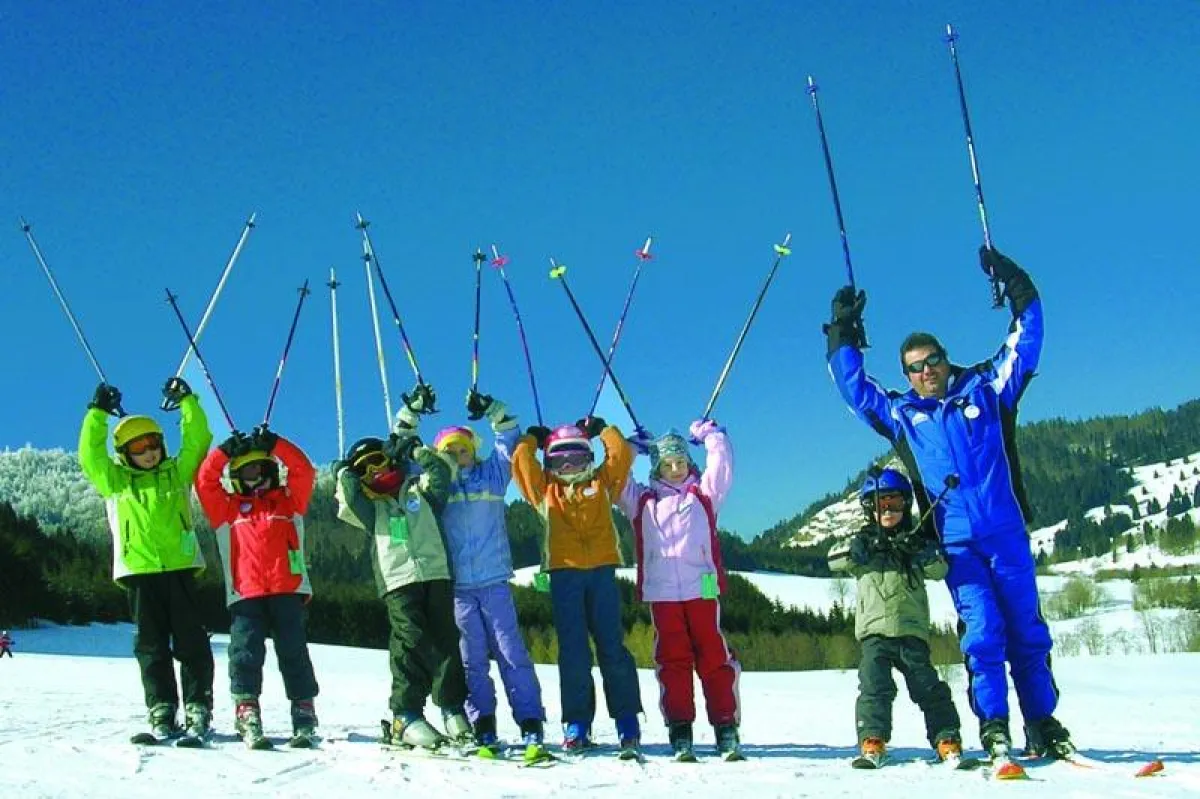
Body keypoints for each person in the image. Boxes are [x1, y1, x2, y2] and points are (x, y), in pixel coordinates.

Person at [824, 246, 1073, 760]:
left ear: (944, 358)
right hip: (957, 543)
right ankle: (996, 725)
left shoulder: (987, 389)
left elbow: (1028, 341)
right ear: (907, 375)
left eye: (932, 361)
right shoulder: (902, 415)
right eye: (914, 368)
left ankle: (1044, 723)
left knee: (1028, 630)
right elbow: (854, 389)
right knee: (982, 634)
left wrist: (1018, 284)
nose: (925, 372)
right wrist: (843, 333)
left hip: (1005, 532)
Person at [333, 383, 470, 750]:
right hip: (398, 580)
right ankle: (406, 714)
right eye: (366, 468)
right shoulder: (369, 509)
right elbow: (346, 495)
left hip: (436, 573)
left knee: (444, 639)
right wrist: (346, 471)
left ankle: (450, 708)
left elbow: (442, 473)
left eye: (380, 459)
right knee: (412, 640)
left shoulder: (418, 492)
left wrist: (415, 449)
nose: (376, 470)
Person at [77, 378, 215, 741]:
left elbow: (198, 441)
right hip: (139, 572)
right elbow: (90, 456)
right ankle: (162, 708)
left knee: (191, 642)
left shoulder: (176, 474)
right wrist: (97, 413)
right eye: (139, 448)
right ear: (124, 453)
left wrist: (187, 401)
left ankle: (198, 707)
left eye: (153, 444)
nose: (149, 452)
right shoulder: (116, 483)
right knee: (151, 645)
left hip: (180, 567)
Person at [511, 415, 643, 754]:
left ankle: (627, 720)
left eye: (577, 457)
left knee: (612, 647)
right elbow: (522, 467)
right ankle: (577, 722)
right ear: (550, 462)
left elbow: (621, 457)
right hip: (564, 574)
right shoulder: (546, 491)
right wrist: (529, 439)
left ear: (589, 457)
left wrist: (602, 430)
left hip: (601, 573)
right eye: (560, 459)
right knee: (573, 652)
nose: (570, 466)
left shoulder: (602, 484)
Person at [429, 389, 548, 758]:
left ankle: (530, 722)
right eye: (448, 452)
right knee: (472, 660)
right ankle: (483, 724)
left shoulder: (492, 477)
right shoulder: (438, 487)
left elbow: (508, 440)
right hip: (460, 590)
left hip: (494, 582)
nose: (457, 456)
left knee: (512, 653)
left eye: (462, 449)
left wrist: (494, 410)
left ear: (473, 450)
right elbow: (406, 458)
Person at [617, 420, 742, 761]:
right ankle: (680, 727)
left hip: (701, 589)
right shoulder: (642, 502)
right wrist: (628, 450)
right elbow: (615, 482)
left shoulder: (702, 495)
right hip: (663, 594)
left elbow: (722, 469)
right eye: (668, 464)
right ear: (656, 466)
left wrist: (712, 436)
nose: (676, 469)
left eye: (681, 462)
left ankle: (725, 725)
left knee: (713, 655)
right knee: (672, 660)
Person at [194, 424, 320, 747]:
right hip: (245, 593)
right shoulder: (227, 509)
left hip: (286, 589)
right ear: (236, 477)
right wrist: (224, 452)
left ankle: (303, 709)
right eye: (246, 471)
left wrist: (276, 444)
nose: (255, 476)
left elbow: (303, 470)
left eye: (261, 468)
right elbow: (204, 481)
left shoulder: (289, 503)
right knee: (245, 653)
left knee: (294, 651)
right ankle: (246, 708)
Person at [828, 468, 962, 767]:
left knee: (927, 685)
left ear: (906, 505)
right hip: (874, 633)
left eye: (894, 504)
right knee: (874, 686)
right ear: (869, 509)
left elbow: (940, 570)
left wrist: (921, 551)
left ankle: (946, 738)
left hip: (911, 630)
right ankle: (873, 739)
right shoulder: (862, 545)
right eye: (880, 505)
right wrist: (861, 547)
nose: (887, 510)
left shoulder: (915, 543)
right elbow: (833, 559)